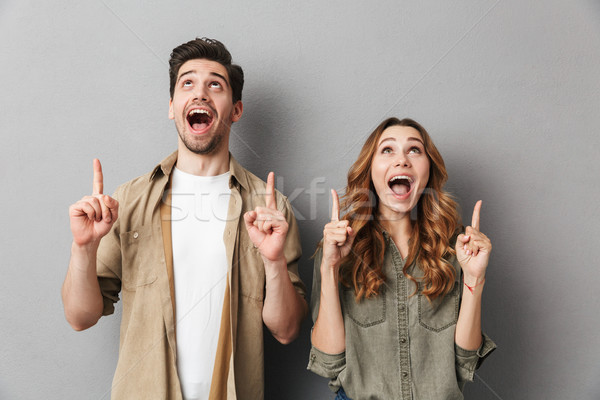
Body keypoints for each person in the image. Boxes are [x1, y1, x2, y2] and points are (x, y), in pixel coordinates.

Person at [61, 37, 308, 400]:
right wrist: (83, 248)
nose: (201, 93)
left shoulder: (270, 209)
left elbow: (286, 331)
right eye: (187, 82)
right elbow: (79, 317)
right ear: (172, 106)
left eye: (215, 85)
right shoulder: (127, 201)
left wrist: (272, 262)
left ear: (236, 109)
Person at [307, 117, 496, 399]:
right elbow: (329, 359)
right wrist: (331, 266)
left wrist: (474, 278)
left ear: (428, 169)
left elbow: (466, 360)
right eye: (387, 150)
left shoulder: (456, 248)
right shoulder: (338, 246)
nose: (402, 160)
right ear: (370, 170)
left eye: (414, 150)